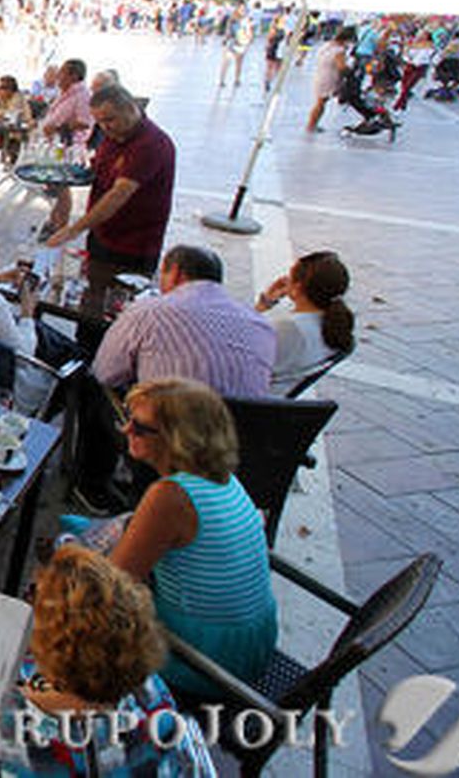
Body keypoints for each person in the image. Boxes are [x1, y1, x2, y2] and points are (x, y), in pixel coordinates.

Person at [105, 378, 278, 697]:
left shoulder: (170, 496)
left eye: (140, 427)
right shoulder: (223, 479)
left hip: (206, 661)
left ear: (178, 440)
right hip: (254, 640)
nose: (126, 429)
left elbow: (112, 585)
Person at [0, 545, 214, 776]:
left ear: (51, 645)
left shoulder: (15, 727)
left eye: (33, 595)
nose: (30, 600)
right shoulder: (150, 692)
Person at [46, 84, 176, 323]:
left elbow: (118, 195)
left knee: (118, 313)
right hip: (102, 236)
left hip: (134, 244)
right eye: (100, 122)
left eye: (110, 120)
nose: (105, 128)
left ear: (131, 108)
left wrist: (73, 229)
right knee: (91, 304)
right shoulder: (114, 136)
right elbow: (97, 170)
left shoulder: (150, 144)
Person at [94, 245, 276, 398]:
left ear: (175, 274)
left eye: (162, 275)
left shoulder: (149, 311)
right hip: (239, 435)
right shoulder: (262, 326)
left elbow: (104, 374)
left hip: (166, 432)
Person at [255, 250, 354, 392]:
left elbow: (241, 339)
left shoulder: (290, 327)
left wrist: (262, 307)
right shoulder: (333, 324)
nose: (285, 279)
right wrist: (266, 303)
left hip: (248, 399)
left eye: (290, 276)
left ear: (298, 287)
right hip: (277, 399)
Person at [306, 26, 353, 133]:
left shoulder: (327, 45)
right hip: (329, 77)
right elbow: (341, 67)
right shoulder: (339, 50)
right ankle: (311, 126)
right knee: (321, 103)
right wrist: (349, 69)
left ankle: (312, 125)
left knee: (320, 102)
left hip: (321, 74)